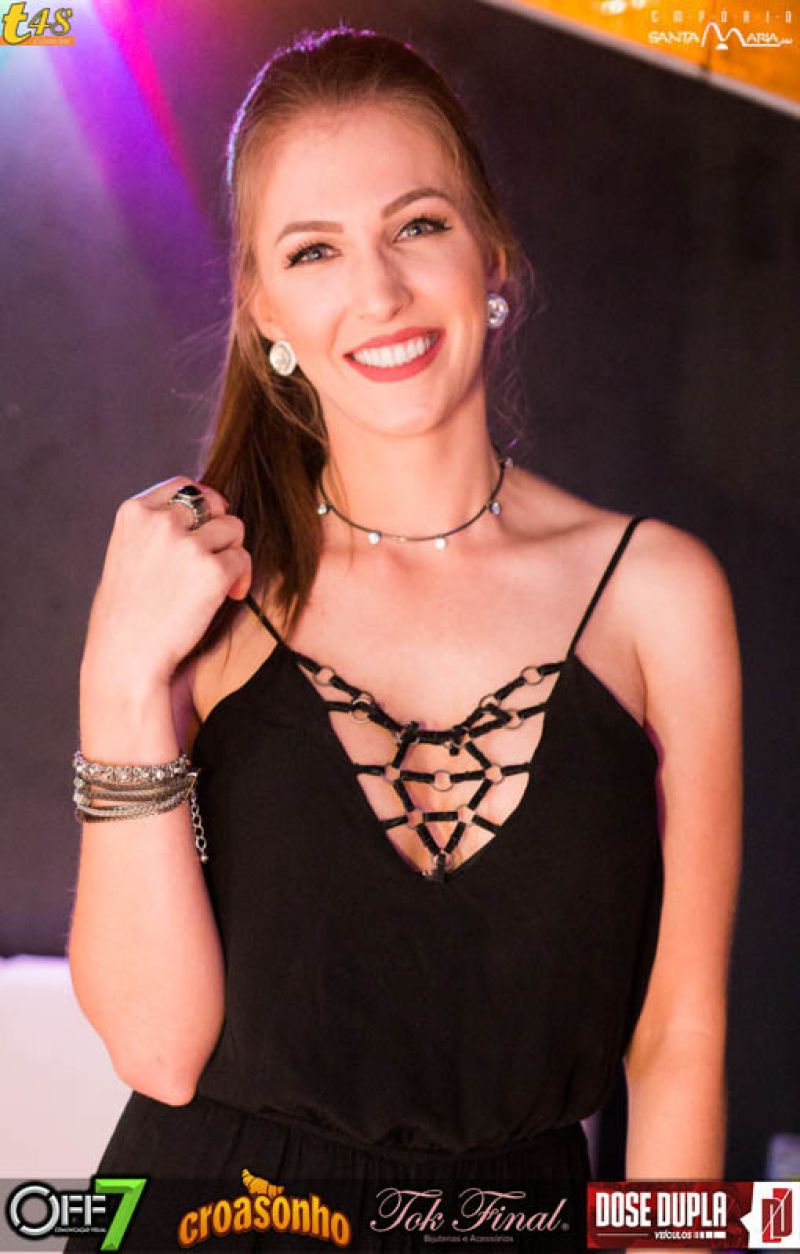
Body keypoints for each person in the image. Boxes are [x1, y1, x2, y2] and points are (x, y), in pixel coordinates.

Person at [64, 25, 742, 1254]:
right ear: (264, 310)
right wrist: (116, 679)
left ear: (491, 254)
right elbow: (158, 1054)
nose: (375, 293)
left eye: (415, 226)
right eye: (313, 250)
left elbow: (677, 1036)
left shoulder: (657, 595)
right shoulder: (202, 594)